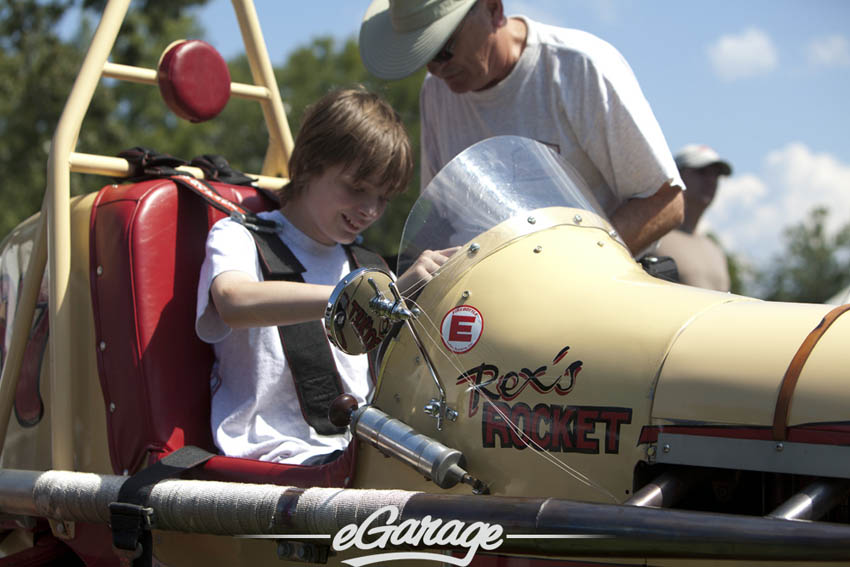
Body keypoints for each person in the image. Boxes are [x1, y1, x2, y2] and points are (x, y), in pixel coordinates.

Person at [195, 88, 455, 465]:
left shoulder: (366, 262)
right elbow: (234, 302)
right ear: (309, 165)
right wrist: (362, 296)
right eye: (357, 188)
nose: (369, 209)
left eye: (384, 198)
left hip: (357, 451)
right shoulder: (240, 236)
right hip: (275, 452)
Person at [359, 0, 685, 256]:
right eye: (424, 55)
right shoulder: (435, 92)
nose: (437, 68)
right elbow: (441, 218)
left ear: (493, 10)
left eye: (444, 47)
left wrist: (578, 269)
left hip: (593, 299)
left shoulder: (578, 67)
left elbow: (664, 201)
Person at [656, 144, 733, 292]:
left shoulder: (715, 249)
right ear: (675, 176)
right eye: (701, 172)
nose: (711, 180)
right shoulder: (649, 240)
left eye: (716, 174)